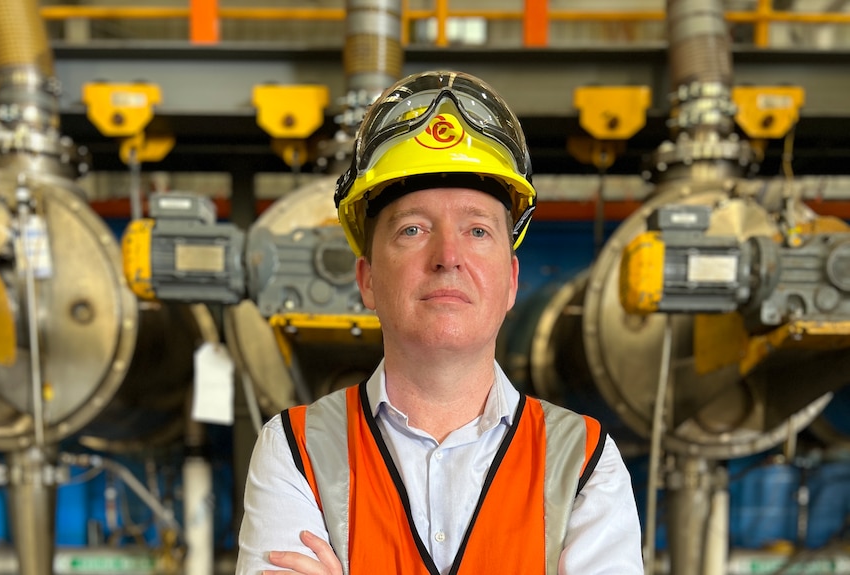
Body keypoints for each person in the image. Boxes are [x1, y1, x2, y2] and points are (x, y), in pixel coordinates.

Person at [235, 70, 644, 575]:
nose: (448, 256)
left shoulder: (584, 462)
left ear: (511, 280)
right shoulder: (295, 451)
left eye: (476, 230)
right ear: (367, 279)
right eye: (413, 229)